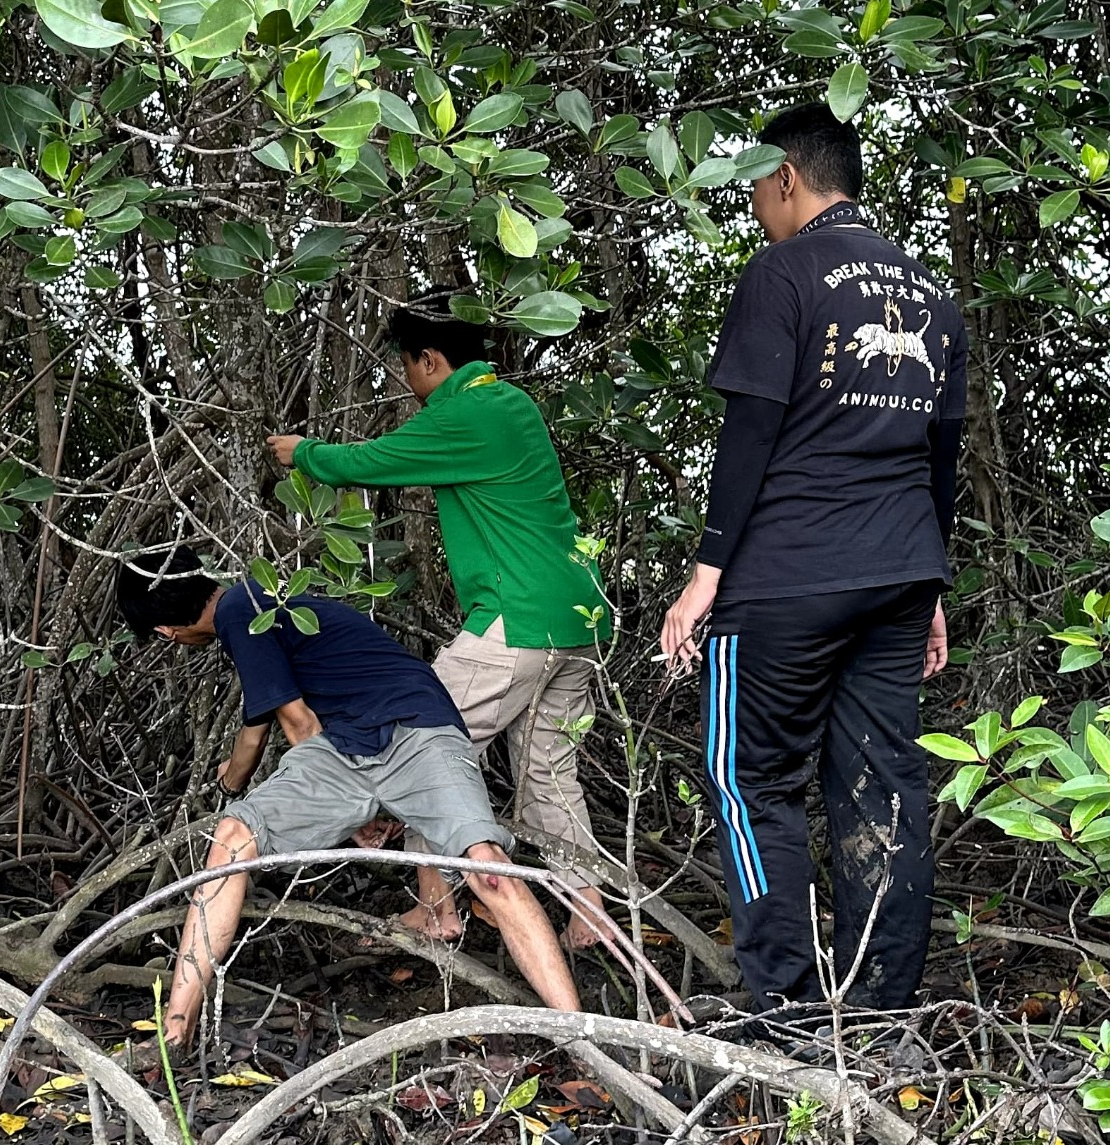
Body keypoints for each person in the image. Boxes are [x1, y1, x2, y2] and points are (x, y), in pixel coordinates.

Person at [659, 103, 966, 1012]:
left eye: (757, 188)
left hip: (789, 575)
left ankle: (784, 1007)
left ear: (787, 177)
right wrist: (933, 585)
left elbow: (749, 431)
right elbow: (937, 458)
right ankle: (881, 1012)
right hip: (900, 571)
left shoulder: (782, 273)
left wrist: (707, 572)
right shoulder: (931, 297)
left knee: (746, 776)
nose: (757, 207)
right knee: (884, 785)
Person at [116, 546, 581, 1050]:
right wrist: (343, 805)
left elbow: (298, 723)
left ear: (166, 631)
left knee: (488, 867)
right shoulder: (259, 600)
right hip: (352, 745)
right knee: (233, 836)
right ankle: (177, 1026)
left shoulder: (240, 606)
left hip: (416, 730)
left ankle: (583, 1038)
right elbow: (268, 726)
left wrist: (318, 797)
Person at [266, 295, 614, 949]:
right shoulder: (511, 404)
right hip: (578, 620)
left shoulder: (467, 411)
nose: (408, 383)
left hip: (519, 620)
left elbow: (370, 462)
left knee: (420, 742)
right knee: (547, 773)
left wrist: (302, 452)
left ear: (431, 359)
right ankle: (588, 911)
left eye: (408, 367)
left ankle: (438, 909)